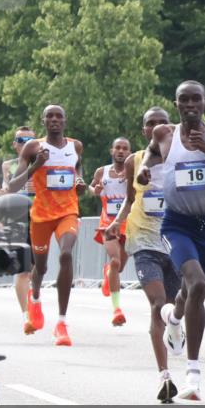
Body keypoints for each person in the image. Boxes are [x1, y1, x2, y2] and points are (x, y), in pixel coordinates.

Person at [138, 80, 205, 401]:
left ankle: (173, 319)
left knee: (188, 292)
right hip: (176, 225)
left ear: (204, 103)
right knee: (197, 285)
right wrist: (145, 168)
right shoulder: (165, 134)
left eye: (195, 100)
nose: (190, 105)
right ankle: (193, 375)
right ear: (176, 104)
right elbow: (150, 153)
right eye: (183, 100)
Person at [106, 107, 187, 402]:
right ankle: (164, 375)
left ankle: (176, 325)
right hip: (143, 242)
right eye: (149, 124)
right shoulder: (134, 161)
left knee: (175, 305)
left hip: (176, 242)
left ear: (170, 128)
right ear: (143, 131)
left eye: (161, 123)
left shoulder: (183, 157)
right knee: (157, 305)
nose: (155, 127)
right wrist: (116, 223)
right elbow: (130, 199)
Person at [6, 104, 86, 346]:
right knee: (39, 268)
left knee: (65, 255)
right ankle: (36, 298)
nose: (54, 120)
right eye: (49, 116)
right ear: (43, 121)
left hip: (67, 212)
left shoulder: (76, 145)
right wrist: (35, 167)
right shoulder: (33, 147)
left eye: (58, 116)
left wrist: (80, 178)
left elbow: (77, 165)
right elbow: (12, 186)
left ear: (65, 121)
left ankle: (61, 323)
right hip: (41, 216)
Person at [90, 137, 132, 326]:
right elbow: (92, 187)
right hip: (107, 223)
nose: (121, 151)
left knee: (119, 266)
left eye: (125, 148)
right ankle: (116, 309)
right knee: (115, 261)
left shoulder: (133, 170)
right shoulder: (103, 171)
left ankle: (109, 273)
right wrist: (95, 190)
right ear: (111, 151)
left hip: (128, 224)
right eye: (118, 148)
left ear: (129, 152)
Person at [1, 126, 38, 327]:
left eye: (29, 140)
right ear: (14, 144)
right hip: (18, 219)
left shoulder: (43, 163)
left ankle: (33, 298)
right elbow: (6, 190)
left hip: (41, 217)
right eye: (20, 139)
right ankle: (26, 316)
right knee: (23, 269)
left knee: (36, 268)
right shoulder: (8, 165)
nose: (25, 143)